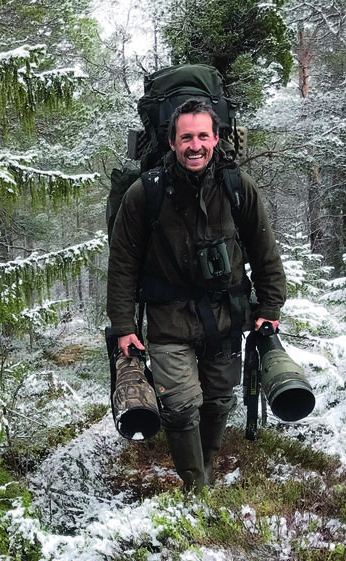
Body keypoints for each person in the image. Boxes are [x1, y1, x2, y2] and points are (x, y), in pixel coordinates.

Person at [107, 98, 286, 493]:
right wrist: (123, 324)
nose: (195, 145)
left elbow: (264, 250)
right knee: (180, 405)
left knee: (219, 400)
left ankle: (205, 466)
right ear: (172, 142)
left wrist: (270, 305)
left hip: (225, 316)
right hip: (168, 318)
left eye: (203, 136)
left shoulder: (237, 187)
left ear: (216, 138)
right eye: (186, 137)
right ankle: (196, 488)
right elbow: (122, 263)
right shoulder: (146, 193)